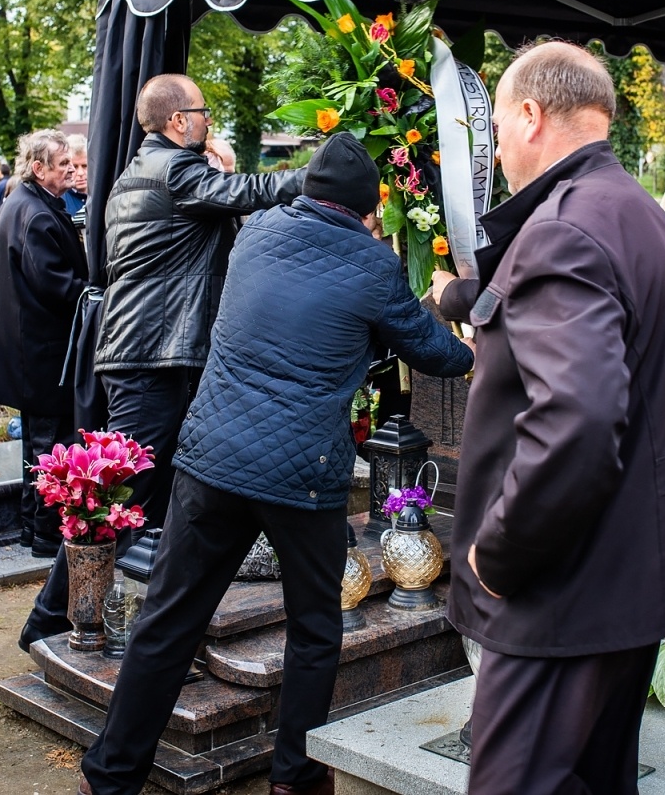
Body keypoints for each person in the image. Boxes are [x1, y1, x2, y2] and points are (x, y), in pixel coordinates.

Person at [78, 133, 474, 795]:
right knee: (315, 628)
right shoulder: (373, 264)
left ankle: (110, 775)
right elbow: (432, 350)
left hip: (211, 460)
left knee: (168, 621)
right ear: (367, 209)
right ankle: (295, 778)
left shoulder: (256, 233)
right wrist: (475, 346)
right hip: (301, 473)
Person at [430, 43, 665, 794]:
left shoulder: (564, 226)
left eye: (498, 125)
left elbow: (579, 420)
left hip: (562, 585)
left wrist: (501, 551)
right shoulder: (636, 209)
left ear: (531, 116)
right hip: (625, 573)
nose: (496, 148)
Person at [20, 76, 304, 649]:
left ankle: (132, 618)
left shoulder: (142, 170)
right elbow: (250, 191)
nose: (208, 121)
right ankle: (51, 620)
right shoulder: (174, 169)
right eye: (203, 111)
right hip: (153, 355)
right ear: (178, 121)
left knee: (145, 496)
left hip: (148, 351)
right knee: (118, 497)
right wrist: (319, 175)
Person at [0, 130, 89, 556]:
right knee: (49, 446)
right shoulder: (36, 213)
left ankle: (32, 527)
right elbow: (56, 285)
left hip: (30, 349)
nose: (72, 171)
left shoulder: (24, 201)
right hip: (41, 353)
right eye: (64, 165)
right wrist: (96, 293)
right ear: (38, 168)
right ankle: (45, 532)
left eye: (74, 164)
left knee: (39, 444)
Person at [62, 134, 89, 221]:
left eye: (85, 166)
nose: (80, 173)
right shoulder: (60, 201)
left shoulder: (102, 195)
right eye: (75, 166)